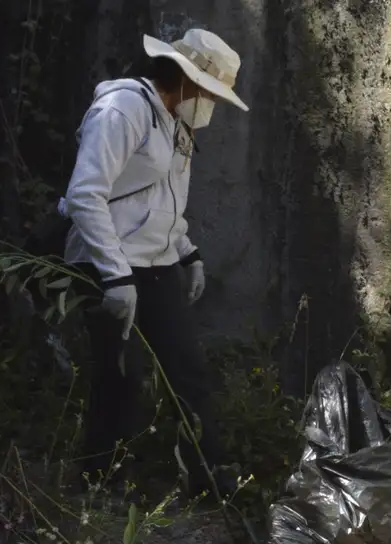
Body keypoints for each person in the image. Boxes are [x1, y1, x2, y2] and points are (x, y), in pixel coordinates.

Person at [58, 28, 250, 499]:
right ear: (185, 79)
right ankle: (97, 481)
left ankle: (210, 479)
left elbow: (164, 201)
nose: (210, 104)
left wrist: (188, 252)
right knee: (119, 376)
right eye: (209, 92)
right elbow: (85, 194)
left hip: (158, 263)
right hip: (107, 262)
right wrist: (114, 274)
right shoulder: (122, 109)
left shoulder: (174, 122)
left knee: (187, 369)